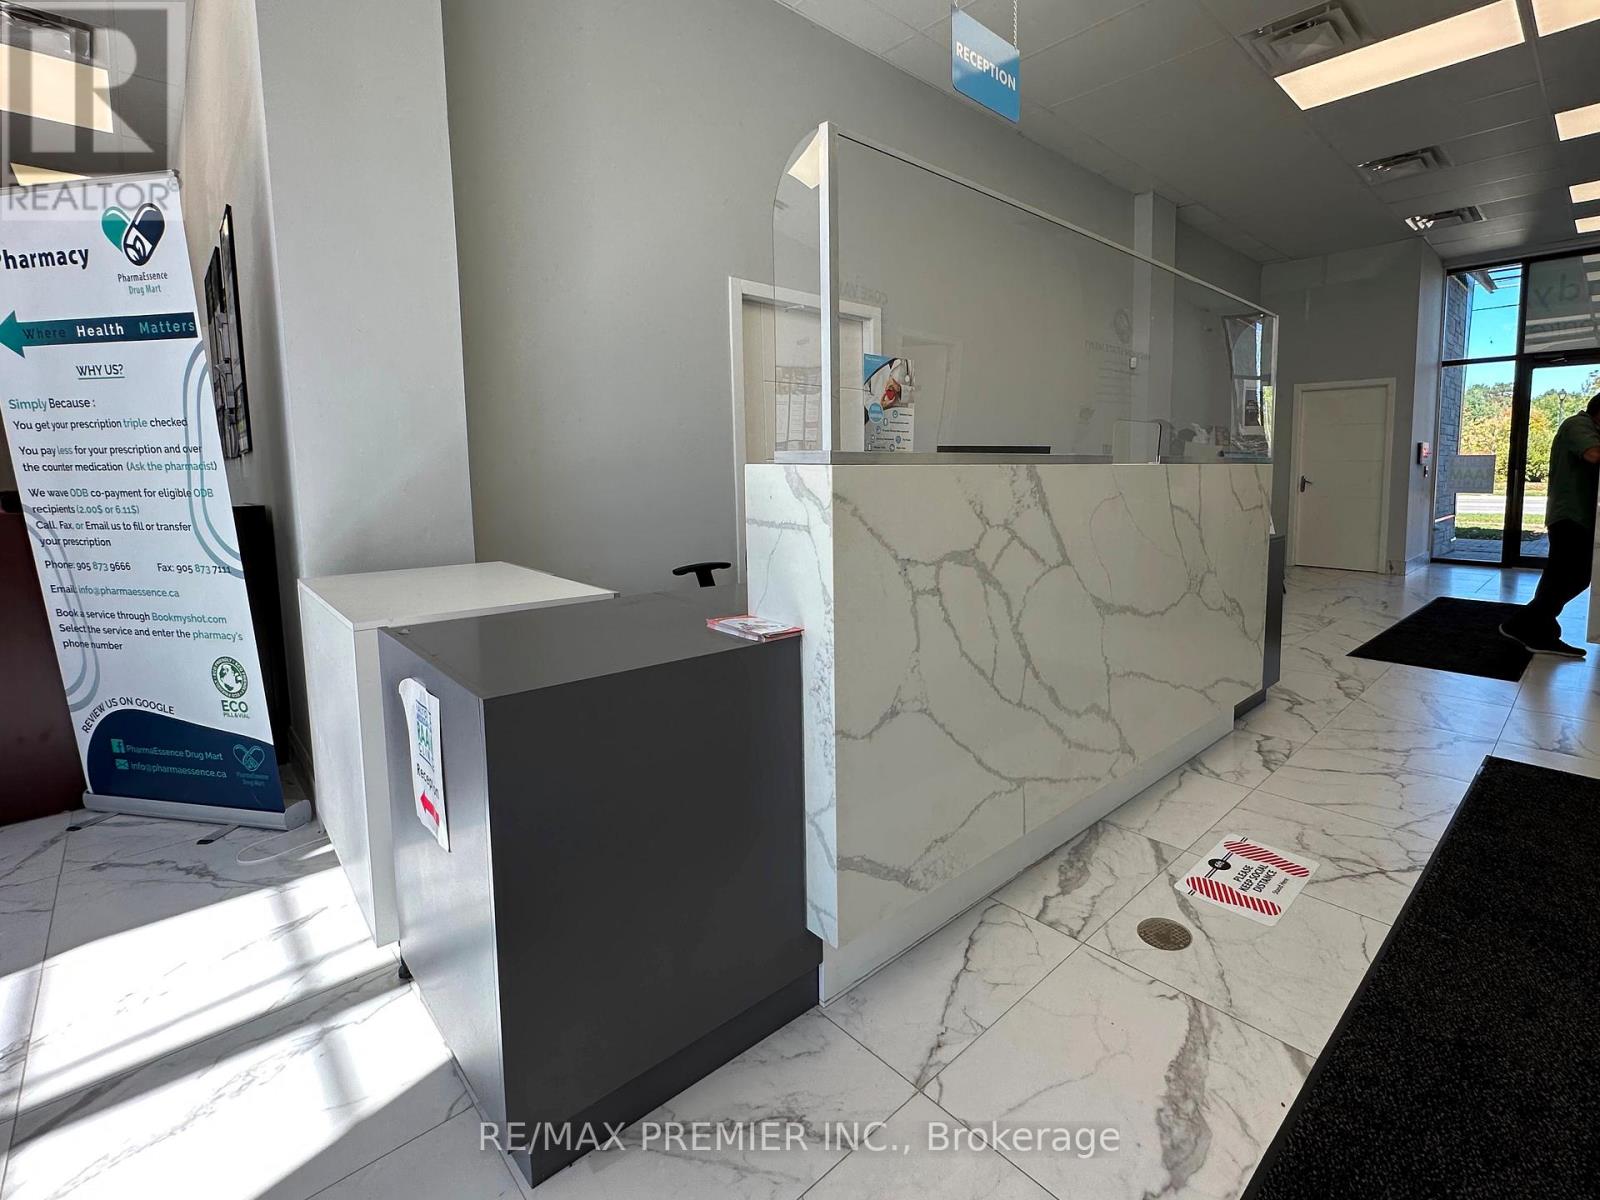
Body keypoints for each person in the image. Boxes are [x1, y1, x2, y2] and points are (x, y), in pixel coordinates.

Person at [1500, 392, 1600, 658]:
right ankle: (1524, 625)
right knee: (1573, 575)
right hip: (1570, 516)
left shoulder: (1586, 427)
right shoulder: (1578, 424)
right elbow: (1593, 454)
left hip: (1576, 516)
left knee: (1562, 576)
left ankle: (1533, 628)